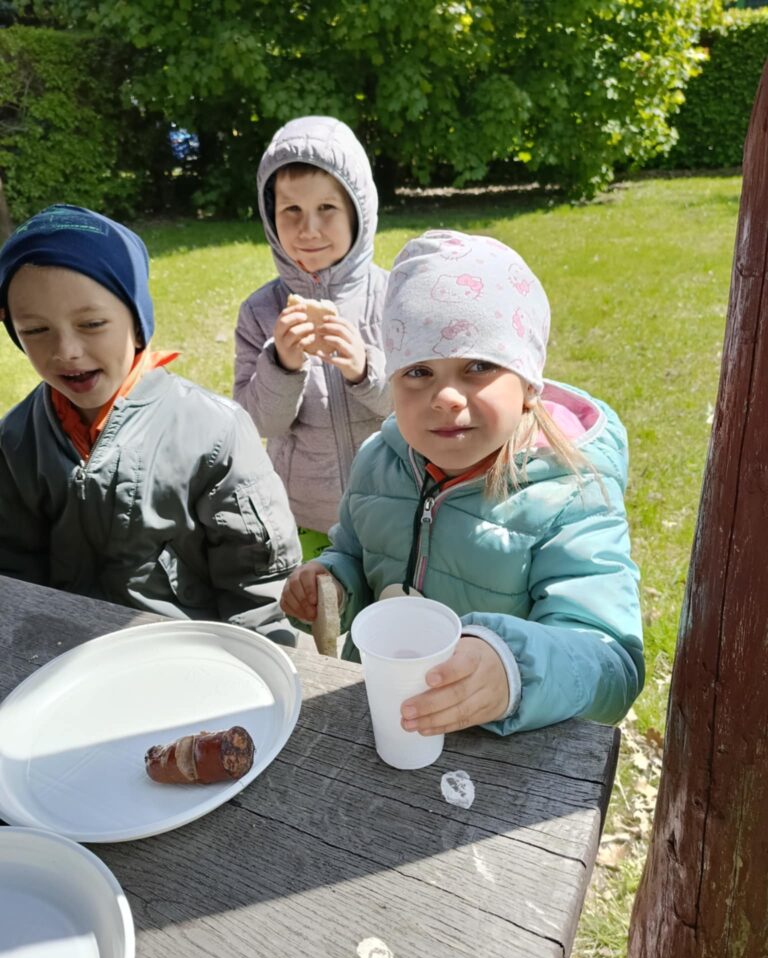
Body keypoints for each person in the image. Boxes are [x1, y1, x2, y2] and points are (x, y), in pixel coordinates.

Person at [280, 229, 644, 734]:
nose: (446, 396)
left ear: (527, 383)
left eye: (477, 366)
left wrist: (513, 669)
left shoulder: (569, 493)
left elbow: (613, 667)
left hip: (504, 763)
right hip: (388, 721)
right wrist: (333, 584)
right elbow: (358, 558)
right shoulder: (377, 463)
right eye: (419, 371)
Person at [0, 204, 301, 643]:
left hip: (187, 661)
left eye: (92, 324)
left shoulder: (214, 435)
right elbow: (14, 574)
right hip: (64, 657)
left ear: (138, 325)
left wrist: (260, 675)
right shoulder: (16, 441)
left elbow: (258, 588)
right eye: (36, 330)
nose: (66, 350)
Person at [233, 116, 391, 560]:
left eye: (327, 209)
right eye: (292, 211)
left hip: (394, 504)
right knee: (315, 616)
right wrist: (281, 365)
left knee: (391, 613)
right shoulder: (260, 313)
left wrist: (365, 368)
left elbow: (418, 403)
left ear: (358, 211)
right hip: (305, 513)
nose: (309, 230)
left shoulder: (393, 297)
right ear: (270, 217)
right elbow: (257, 426)